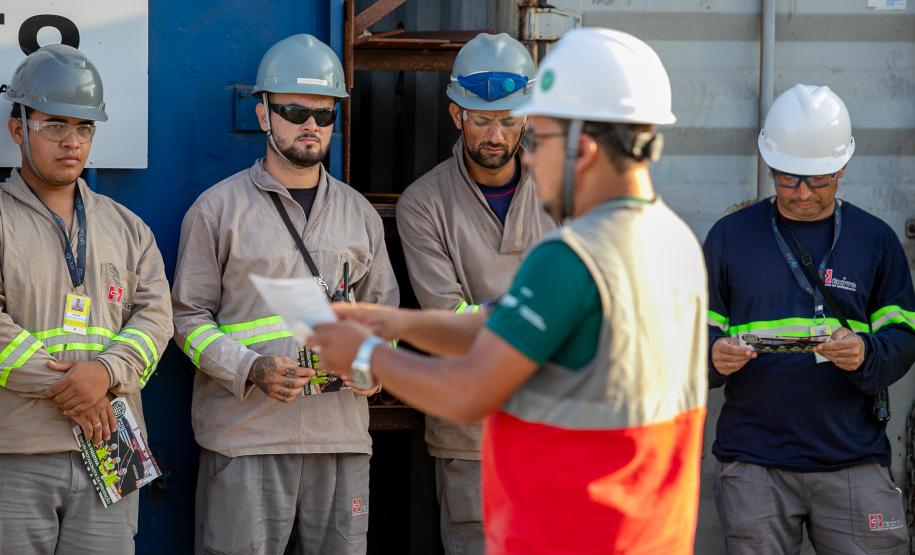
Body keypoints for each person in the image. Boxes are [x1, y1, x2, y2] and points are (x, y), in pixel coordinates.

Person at [309, 28, 708, 554]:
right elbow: (511, 327)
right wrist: (396, 323)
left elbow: (472, 389)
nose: (526, 156)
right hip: (647, 529)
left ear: (581, 148)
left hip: (571, 529)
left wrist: (365, 354)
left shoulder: (572, 258)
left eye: (536, 137)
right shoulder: (673, 242)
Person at [171, 34, 399, 555]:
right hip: (247, 439)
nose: (311, 125)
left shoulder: (359, 214)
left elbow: (386, 318)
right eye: (294, 110)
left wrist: (372, 365)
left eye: (325, 113)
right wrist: (250, 368)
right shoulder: (218, 210)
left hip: (339, 439)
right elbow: (185, 318)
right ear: (263, 115)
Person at [704, 83, 915, 554]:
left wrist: (864, 355)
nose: (801, 193)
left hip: (852, 459)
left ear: (841, 168)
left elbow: (904, 339)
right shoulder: (729, 237)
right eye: (787, 178)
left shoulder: (875, 240)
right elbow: (692, 339)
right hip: (754, 463)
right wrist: (713, 357)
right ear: (769, 165)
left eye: (817, 180)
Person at [0, 44, 172, 553]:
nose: (71, 141)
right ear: (18, 128)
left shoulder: (127, 227)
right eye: (54, 124)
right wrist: (76, 390)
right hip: (18, 449)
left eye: (84, 127)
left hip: (112, 447)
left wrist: (106, 374)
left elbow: (156, 317)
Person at [396, 32, 555, 554]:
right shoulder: (424, 204)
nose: (496, 134)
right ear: (455, 114)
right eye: (482, 119)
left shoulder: (565, 191)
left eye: (509, 120)